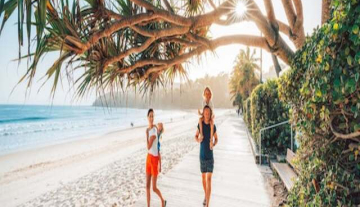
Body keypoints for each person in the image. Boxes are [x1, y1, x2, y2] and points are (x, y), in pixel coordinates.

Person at [195, 105, 218, 207]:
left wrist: (214, 143)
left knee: (209, 180)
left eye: (209, 113)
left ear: (210, 114)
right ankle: (206, 195)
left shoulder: (213, 126)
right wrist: (198, 139)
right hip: (202, 156)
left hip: (210, 157)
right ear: (203, 113)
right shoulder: (200, 125)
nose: (207, 115)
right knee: (203, 179)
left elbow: (216, 139)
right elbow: (195, 136)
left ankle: (207, 204)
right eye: (205, 113)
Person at [146, 109, 166, 207]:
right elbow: (151, 148)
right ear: (147, 117)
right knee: (147, 186)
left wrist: (146, 134)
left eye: (153, 116)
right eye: (150, 116)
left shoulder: (153, 131)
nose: (151, 118)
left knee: (153, 188)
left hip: (154, 160)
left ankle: (162, 200)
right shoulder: (151, 129)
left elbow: (148, 146)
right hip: (148, 158)